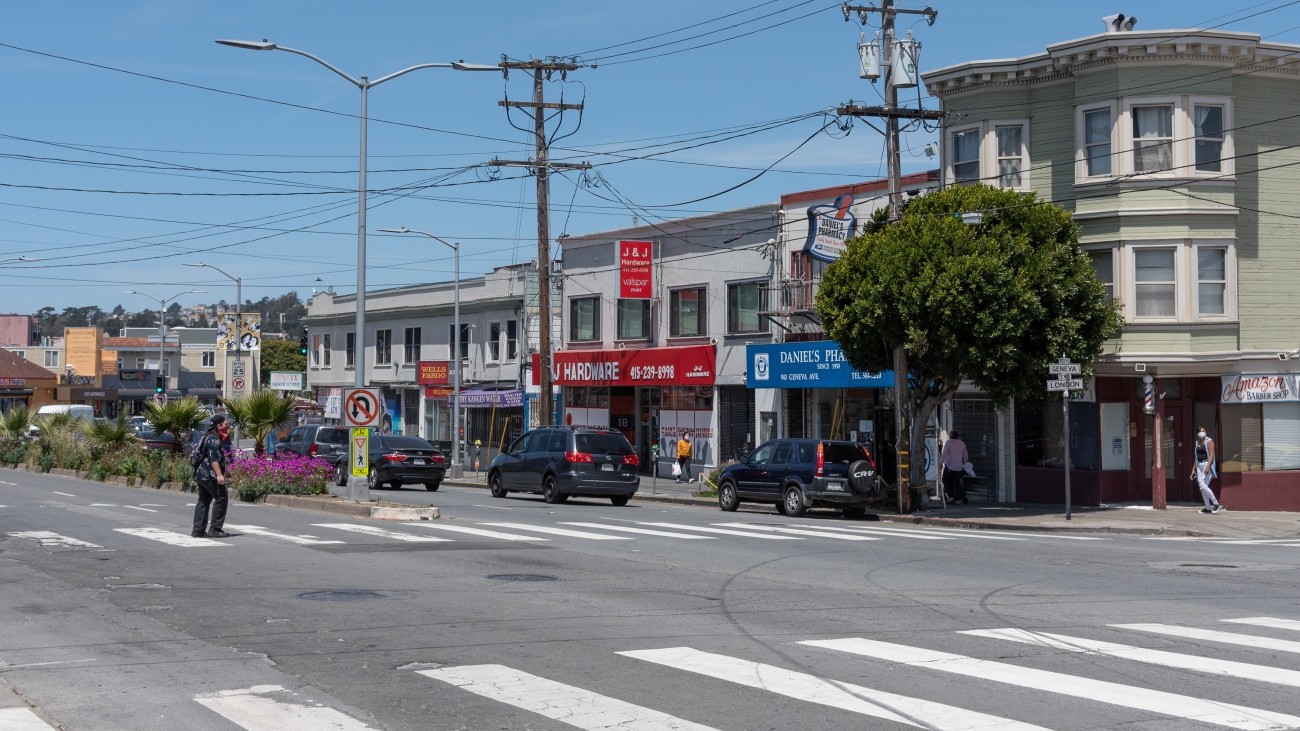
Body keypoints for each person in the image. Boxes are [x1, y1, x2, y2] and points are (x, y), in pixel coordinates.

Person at [192, 415, 231, 538]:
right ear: (219, 426)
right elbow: (213, 459)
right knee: (222, 497)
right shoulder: (213, 439)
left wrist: (225, 471)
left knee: (204, 500)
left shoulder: (206, 436)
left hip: (201, 475)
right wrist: (219, 475)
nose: (227, 426)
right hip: (209, 475)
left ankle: (198, 530)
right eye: (225, 424)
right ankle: (215, 528)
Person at [1191, 426, 1224, 514]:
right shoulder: (1197, 442)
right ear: (1198, 433)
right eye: (1200, 431)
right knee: (1202, 487)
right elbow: (1196, 457)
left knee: (1202, 485)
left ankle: (1216, 503)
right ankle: (1207, 508)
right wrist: (1193, 469)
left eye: (1203, 431)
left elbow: (1211, 455)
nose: (1202, 432)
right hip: (1198, 465)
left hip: (1206, 464)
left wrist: (1208, 466)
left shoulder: (1209, 441)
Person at [940, 430, 969, 505]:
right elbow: (965, 455)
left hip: (949, 466)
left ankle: (950, 496)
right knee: (957, 483)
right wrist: (964, 461)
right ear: (958, 436)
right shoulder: (962, 443)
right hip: (958, 467)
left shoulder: (948, 443)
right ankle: (958, 500)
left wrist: (941, 462)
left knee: (945, 480)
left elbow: (944, 453)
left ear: (950, 436)